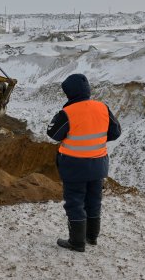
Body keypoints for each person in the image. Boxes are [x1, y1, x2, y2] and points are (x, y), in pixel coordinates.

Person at [47, 74, 121, 252]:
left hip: (74, 166)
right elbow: (115, 132)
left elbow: (53, 134)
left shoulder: (68, 112)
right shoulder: (103, 107)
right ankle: (91, 237)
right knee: (94, 201)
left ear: (69, 93)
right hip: (98, 165)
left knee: (75, 202)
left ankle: (76, 242)